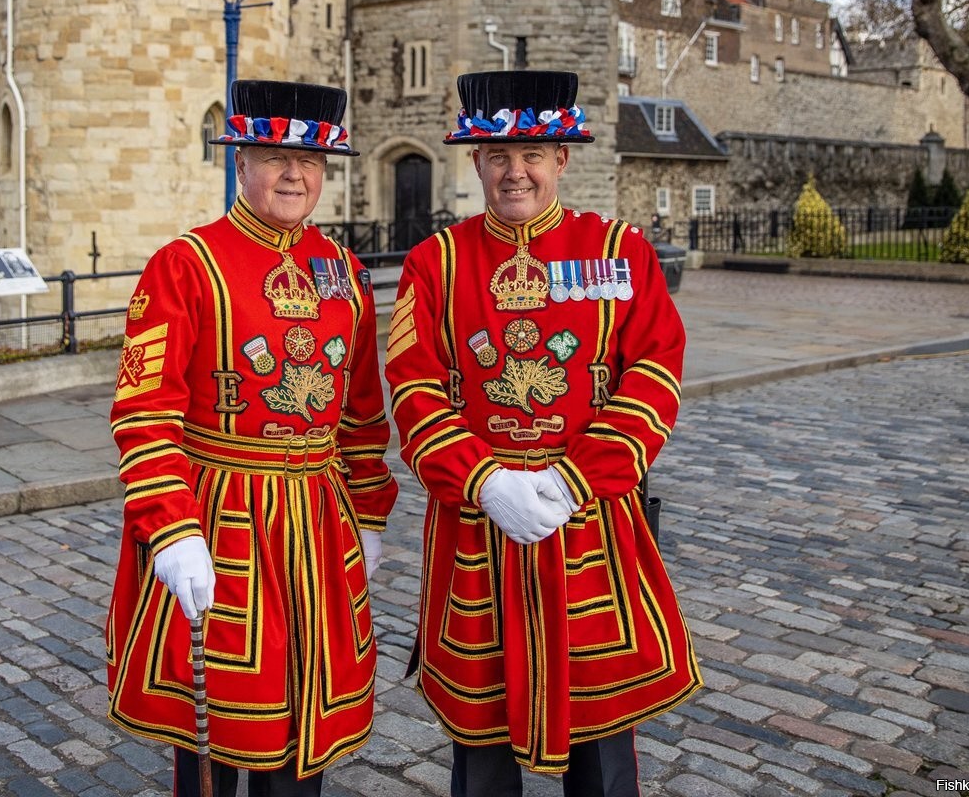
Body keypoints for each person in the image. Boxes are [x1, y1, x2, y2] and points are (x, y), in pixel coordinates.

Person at [385, 70, 701, 797]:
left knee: (602, 739)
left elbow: (654, 370)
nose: (515, 170)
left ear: (563, 158)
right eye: (498, 156)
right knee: (481, 736)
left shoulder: (617, 250)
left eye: (532, 153)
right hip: (476, 523)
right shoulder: (436, 262)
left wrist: (575, 478)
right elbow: (413, 386)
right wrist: (484, 480)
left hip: (588, 518)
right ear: (475, 161)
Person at [106, 80, 398, 797]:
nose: (294, 174)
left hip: (319, 523)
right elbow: (143, 411)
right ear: (241, 159)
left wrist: (367, 512)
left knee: (305, 724)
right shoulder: (186, 263)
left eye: (312, 159)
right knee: (219, 727)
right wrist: (171, 530)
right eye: (274, 156)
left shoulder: (344, 272)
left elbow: (362, 413)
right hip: (221, 517)